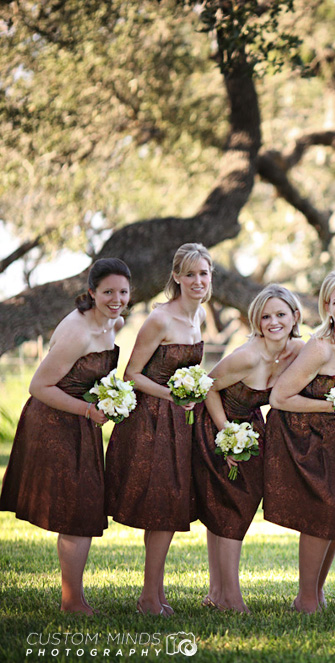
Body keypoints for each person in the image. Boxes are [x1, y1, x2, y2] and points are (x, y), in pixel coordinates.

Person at [0, 258, 131, 615]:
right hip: (54, 422)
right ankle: (71, 601)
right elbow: (38, 386)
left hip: (81, 422)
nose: (116, 298)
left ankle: (74, 598)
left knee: (85, 507)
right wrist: (89, 410)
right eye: (107, 292)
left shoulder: (113, 323)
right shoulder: (78, 332)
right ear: (91, 293)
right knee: (77, 510)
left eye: (122, 291)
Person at [105, 242, 212, 616]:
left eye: (204, 273)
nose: (198, 280)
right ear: (177, 278)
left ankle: (153, 594)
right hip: (151, 421)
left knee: (167, 507)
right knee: (162, 507)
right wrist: (173, 395)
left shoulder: (200, 316)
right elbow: (131, 375)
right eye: (191, 274)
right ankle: (149, 598)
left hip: (180, 422)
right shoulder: (160, 319)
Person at [192, 284, 305, 612]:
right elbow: (208, 388)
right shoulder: (247, 356)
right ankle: (230, 597)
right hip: (217, 425)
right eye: (265, 316)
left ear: (295, 317)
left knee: (228, 508)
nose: (273, 322)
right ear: (256, 321)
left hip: (252, 426)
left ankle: (217, 593)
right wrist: (226, 433)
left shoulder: (296, 350)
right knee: (232, 509)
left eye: (281, 314)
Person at [266, 271, 335, 613]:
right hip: (305, 434)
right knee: (321, 512)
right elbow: (280, 397)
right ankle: (306, 598)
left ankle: (317, 591)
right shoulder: (320, 348)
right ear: (326, 307)